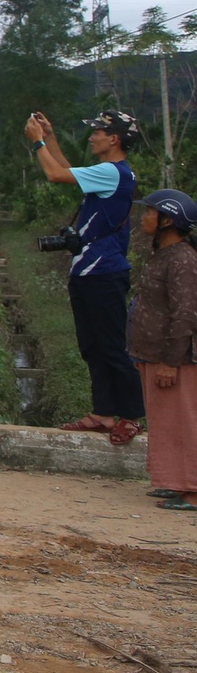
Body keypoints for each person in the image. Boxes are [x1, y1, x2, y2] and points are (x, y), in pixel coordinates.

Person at [26, 109, 146, 444]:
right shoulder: (111, 172)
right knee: (93, 347)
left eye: (97, 133)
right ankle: (103, 413)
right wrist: (50, 137)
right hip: (90, 271)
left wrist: (37, 143)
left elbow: (55, 174)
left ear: (114, 139)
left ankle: (131, 417)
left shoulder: (111, 172)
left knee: (112, 347)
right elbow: (68, 172)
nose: (92, 137)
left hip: (104, 272)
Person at [131, 189, 197, 511]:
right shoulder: (163, 254)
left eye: (150, 212)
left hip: (175, 359)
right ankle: (175, 481)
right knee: (166, 422)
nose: (144, 217)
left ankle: (193, 491)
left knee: (183, 422)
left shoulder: (182, 259)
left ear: (167, 221)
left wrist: (171, 362)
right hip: (154, 353)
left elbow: (186, 313)